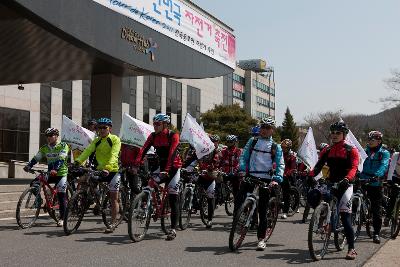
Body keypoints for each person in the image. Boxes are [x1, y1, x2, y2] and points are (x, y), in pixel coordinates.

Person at [310, 121, 359, 260]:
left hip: (346, 184)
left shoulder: (351, 150)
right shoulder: (328, 150)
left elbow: (354, 168)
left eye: (338, 133)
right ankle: (323, 221)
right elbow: (318, 166)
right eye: (333, 132)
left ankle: (351, 248)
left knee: (345, 216)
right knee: (318, 198)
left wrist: (347, 179)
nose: (335, 135)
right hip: (331, 182)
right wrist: (310, 175)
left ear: (344, 134)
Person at [237, 117, 285, 251]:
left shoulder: (276, 147)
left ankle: (261, 239)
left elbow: (280, 164)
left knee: (262, 211)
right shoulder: (252, 141)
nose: (264, 130)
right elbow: (243, 157)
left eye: (268, 128)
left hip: (266, 179)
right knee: (239, 198)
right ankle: (239, 220)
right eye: (262, 127)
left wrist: (276, 179)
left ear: (272, 130)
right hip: (251, 176)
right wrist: (242, 169)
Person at [133, 113, 182, 240]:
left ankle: (172, 229)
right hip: (161, 166)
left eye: (158, 124)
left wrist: (166, 170)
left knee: (173, 196)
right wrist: (136, 164)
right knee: (149, 183)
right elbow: (143, 149)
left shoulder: (173, 135)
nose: (155, 126)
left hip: (173, 167)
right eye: (154, 124)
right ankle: (153, 204)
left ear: (165, 124)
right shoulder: (153, 136)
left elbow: (172, 153)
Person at [75, 118, 121, 233]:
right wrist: (78, 161)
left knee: (113, 197)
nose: (101, 130)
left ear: (110, 128)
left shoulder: (114, 139)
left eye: (104, 127)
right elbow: (88, 151)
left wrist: (108, 167)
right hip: (99, 169)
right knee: (84, 180)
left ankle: (113, 222)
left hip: (112, 171)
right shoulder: (97, 140)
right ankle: (92, 199)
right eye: (99, 127)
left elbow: (114, 155)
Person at [23, 128, 69, 227]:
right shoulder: (44, 147)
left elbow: (61, 159)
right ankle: (40, 200)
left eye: (51, 135)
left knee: (61, 194)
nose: (48, 138)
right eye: (47, 136)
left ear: (56, 136)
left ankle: (62, 218)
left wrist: (56, 169)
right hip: (50, 173)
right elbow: (37, 158)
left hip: (61, 173)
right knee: (34, 183)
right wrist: (29, 166)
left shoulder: (63, 146)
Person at [358, 131, 390, 244]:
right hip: (362, 179)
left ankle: (376, 233)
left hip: (375, 182)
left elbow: (384, 165)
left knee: (376, 209)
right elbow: (358, 162)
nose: (370, 141)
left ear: (379, 141)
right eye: (369, 139)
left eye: (373, 140)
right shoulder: (364, 151)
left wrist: (377, 176)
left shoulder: (384, 153)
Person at [197, 134, 222, 228]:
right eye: (210, 141)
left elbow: (217, 160)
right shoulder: (202, 149)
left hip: (210, 176)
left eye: (214, 142)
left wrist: (211, 167)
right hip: (201, 174)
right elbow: (193, 158)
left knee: (210, 197)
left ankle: (210, 220)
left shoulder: (216, 151)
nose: (212, 143)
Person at [220, 135, 242, 200]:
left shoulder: (238, 151)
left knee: (236, 191)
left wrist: (236, 171)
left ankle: (237, 204)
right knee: (219, 185)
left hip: (235, 173)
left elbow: (239, 162)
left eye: (231, 142)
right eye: (228, 141)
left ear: (234, 142)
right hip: (225, 172)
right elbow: (220, 160)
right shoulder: (224, 151)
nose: (229, 143)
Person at [280, 139, 297, 219]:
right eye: (282, 147)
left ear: (289, 148)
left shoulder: (292, 156)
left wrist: (287, 173)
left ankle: (285, 212)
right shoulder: (279, 154)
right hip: (279, 174)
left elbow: (293, 168)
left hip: (287, 175)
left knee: (286, 193)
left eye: (285, 147)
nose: (283, 149)